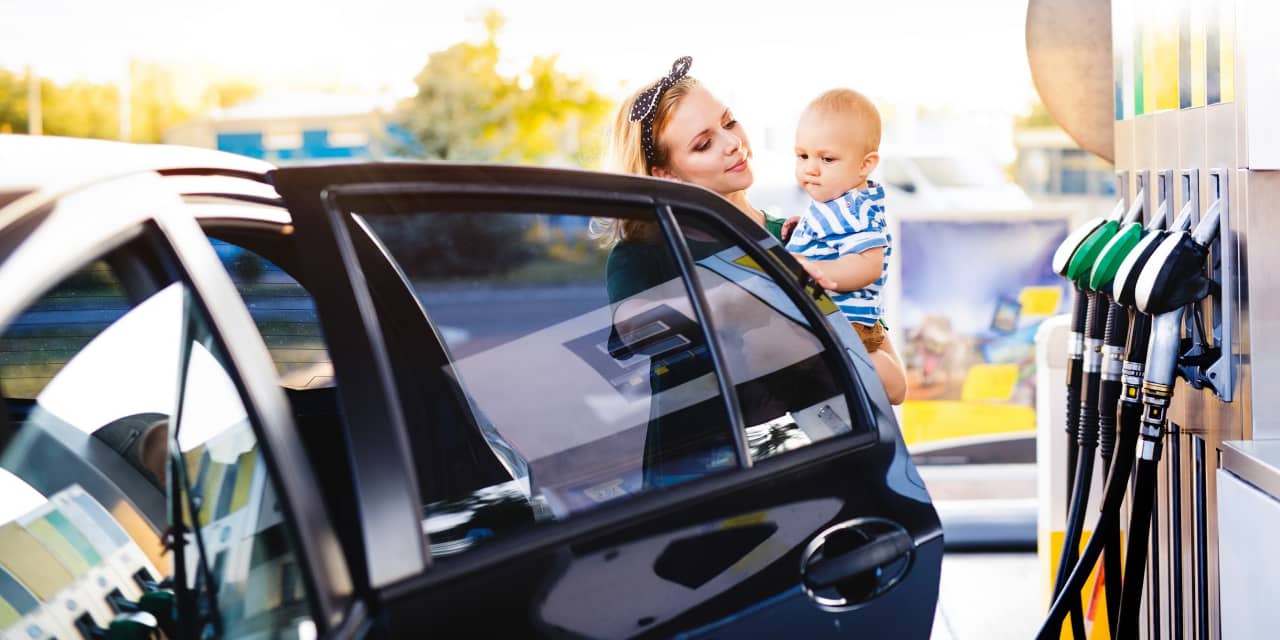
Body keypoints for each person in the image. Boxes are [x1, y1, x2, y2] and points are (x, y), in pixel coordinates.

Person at [599, 58, 906, 405]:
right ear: (665, 176)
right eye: (703, 144)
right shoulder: (644, 254)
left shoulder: (801, 238)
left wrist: (809, 346)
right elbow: (634, 329)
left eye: (729, 121)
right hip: (705, 458)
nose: (731, 142)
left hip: (815, 451)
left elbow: (894, 386)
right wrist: (747, 294)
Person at [786, 88, 893, 358]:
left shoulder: (851, 208)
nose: (810, 168)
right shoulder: (838, 205)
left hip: (845, 325)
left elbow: (868, 265)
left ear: (864, 165)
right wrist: (806, 230)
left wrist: (813, 270)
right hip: (834, 322)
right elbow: (839, 239)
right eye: (802, 156)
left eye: (827, 159)